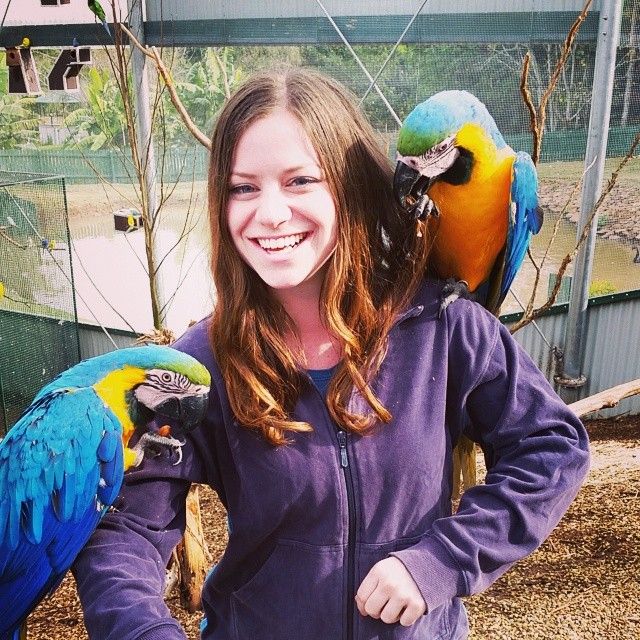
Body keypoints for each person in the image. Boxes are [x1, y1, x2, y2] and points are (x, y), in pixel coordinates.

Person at [73, 68, 590, 640]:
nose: (271, 213)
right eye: (243, 188)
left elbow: (552, 448)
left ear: (349, 187)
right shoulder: (200, 365)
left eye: (300, 181)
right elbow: (124, 529)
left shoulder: (445, 328)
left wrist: (443, 560)